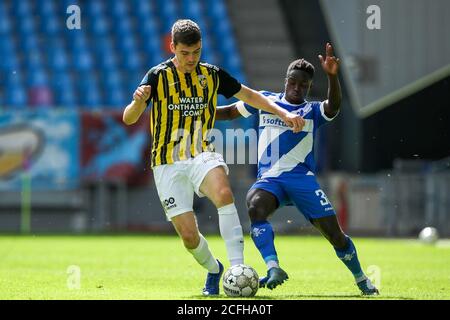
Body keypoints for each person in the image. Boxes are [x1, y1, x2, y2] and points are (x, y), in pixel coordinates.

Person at [122, 19, 304, 296]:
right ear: (173, 48)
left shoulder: (212, 75)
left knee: (223, 193)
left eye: (196, 52)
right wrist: (137, 101)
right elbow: (129, 118)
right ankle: (214, 269)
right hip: (166, 163)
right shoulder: (157, 76)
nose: (191, 59)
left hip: (202, 153)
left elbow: (250, 95)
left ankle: (236, 270)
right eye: (185, 53)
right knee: (189, 237)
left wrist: (284, 113)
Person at [216, 43, 379, 296]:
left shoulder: (312, 110)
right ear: (286, 80)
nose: (297, 87)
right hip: (270, 181)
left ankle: (361, 279)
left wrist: (333, 76)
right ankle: (273, 267)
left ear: (309, 87)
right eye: (293, 81)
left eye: (303, 85)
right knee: (254, 207)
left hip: (302, 181)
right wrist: (196, 114)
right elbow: (227, 113)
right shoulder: (264, 101)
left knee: (336, 236)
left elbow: (333, 107)